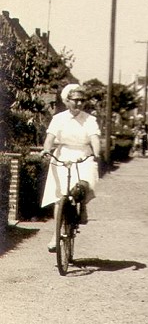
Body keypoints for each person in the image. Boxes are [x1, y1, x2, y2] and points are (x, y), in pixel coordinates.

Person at [41, 84, 101, 252]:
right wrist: (46, 150)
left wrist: (96, 153)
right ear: (67, 101)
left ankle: (83, 207)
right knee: (60, 197)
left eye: (82, 100)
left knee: (83, 184)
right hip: (63, 154)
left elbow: (95, 138)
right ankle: (55, 235)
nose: (79, 104)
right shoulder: (58, 118)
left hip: (83, 154)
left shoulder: (89, 119)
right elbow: (50, 138)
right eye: (75, 100)